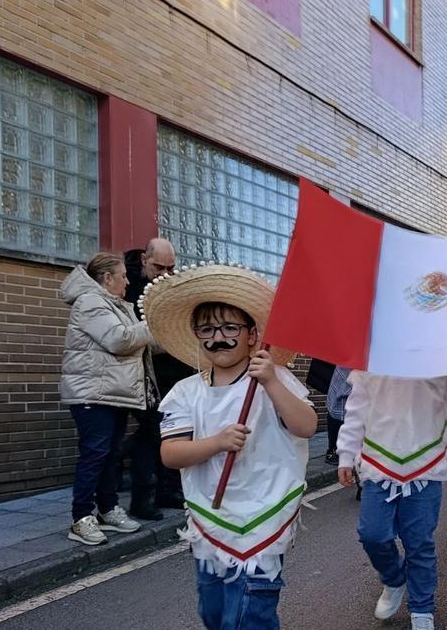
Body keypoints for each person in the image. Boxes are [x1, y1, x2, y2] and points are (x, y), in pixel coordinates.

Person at [147, 264, 318, 630]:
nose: (218, 338)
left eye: (229, 328)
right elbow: (171, 454)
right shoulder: (185, 392)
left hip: (265, 510)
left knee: (248, 614)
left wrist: (272, 380)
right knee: (215, 611)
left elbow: (306, 426)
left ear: (252, 334)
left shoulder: (273, 378)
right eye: (207, 329)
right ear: (196, 335)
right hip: (211, 516)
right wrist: (216, 443)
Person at [337, 371, 447, 630]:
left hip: (426, 464)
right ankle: (394, 578)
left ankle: (422, 608)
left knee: (419, 542)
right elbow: (356, 410)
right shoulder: (371, 361)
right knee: (373, 535)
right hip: (379, 463)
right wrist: (346, 454)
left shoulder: (442, 362)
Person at [59, 252, 153, 545]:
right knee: (95, 454)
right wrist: (153, 323)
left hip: (110, 392)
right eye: (123, 276)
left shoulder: (115, 305)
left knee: (110, 454)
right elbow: (119, 339)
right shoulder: (90, 302)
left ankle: (108, 509)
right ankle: (81, 518)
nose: (128, 281)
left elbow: (136, 340)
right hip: (92, 394)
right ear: (107, 278)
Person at [122, 237, 190, 520]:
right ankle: (144, 496)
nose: (164, 274)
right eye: (158, 267)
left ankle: (169, 490)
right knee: (152, 436)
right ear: (144, 261)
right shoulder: (130, 290)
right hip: (146, 376)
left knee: (174, 432)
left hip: (178, 374)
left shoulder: (173, 286)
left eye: (170, 268)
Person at [324, 366, 352, 465]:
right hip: (351, 370)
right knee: (338, 412)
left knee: (337, 410)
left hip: (350, 368)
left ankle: (334, 450)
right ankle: (334, 451)